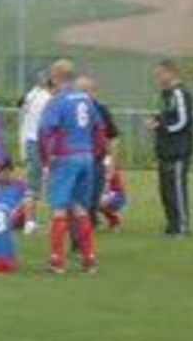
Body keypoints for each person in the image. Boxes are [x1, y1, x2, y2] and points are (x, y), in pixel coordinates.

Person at [39, 59, 102, 273]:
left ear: (55, 76)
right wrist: (96, 154)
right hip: (86, 157)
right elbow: (98, 128)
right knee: (79, 207)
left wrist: (46, 160)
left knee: (59, 209)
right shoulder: (85, 98)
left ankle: (57, 260)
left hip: (65, 158)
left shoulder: (57, 100)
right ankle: (89, 258)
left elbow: (46, 132)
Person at [147, 59, 193, 237]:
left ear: (171, 73)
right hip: (164, 150)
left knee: (177, 189)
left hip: (178, 151)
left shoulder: (180, 93)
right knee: (165, 190)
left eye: (160, 74)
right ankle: (171, 225)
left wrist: (161, 127)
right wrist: (154, 121)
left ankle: (182, 226)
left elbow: (182, 121)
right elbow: (163, 115)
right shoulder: (164, 95)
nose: (158, 78)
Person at [75, 75, 120, 228]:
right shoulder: (70, 109)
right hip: (74, 159)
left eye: (84, 91)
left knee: (93, 199)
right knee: (75, 198)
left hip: (96, 161)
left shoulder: (101, 110)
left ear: (93, 92)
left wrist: (111, 162)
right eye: (78, 90)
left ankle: (89, 224)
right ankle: (79, 229)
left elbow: (112, 137)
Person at [18, 71, 52, 234]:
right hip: (40, 142)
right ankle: (30, 222)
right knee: (38, 184)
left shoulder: (30, 94)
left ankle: (29, 220)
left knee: (33, 183)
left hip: (29, 142)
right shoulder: (47, 97)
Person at [0, 163, 29, 231]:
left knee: (27, 203)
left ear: (7, 172)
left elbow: (27, 198)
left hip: (16, 214)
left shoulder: (19, 184)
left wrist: (16, 209)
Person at [99, 164, 128, 230]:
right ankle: (112, 221)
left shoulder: (109, 170)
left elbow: (107, 187)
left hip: (118, 196)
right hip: (110, 194)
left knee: (99, 202)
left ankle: (115, 219)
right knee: (94, 202)